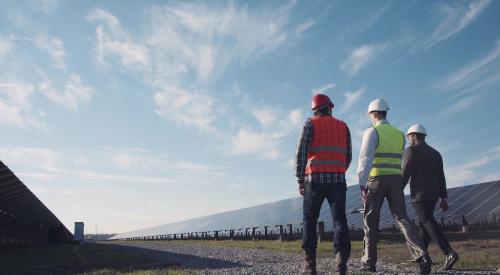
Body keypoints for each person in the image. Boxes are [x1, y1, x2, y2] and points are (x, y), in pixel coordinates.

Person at [357, 98, 431, 274]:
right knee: (402, 218)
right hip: (396, 181)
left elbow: (365, 159)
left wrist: (361, 183)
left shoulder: (372, 131)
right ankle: (422, 255)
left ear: (373, 114)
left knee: (370, 220)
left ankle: (369, 262)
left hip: (376, 180)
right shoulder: (399, 134)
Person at [295, 93, 351, 275]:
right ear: (330, 108)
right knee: (340, 221)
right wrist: (339, 170)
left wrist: (299, 178)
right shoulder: (343, 126)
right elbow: (348, 156)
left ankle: (310, 266)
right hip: (338, 180)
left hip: (315, 180)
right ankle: (341, 267)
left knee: (309, 221)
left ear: (314, 109)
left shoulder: (310, 123)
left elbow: (302, 153)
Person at [403, 123, 459, 271]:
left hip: (419, 195)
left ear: (413, 136)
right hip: (433, 195)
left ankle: (449, 252)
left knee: (427, 221)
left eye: (408, 136)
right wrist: (444, 197)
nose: (408, 139)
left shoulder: (411, 151)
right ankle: (423, 256)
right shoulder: (435, 153)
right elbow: (441, 176)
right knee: (424, 224)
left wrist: (397, 190)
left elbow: (405, 172)